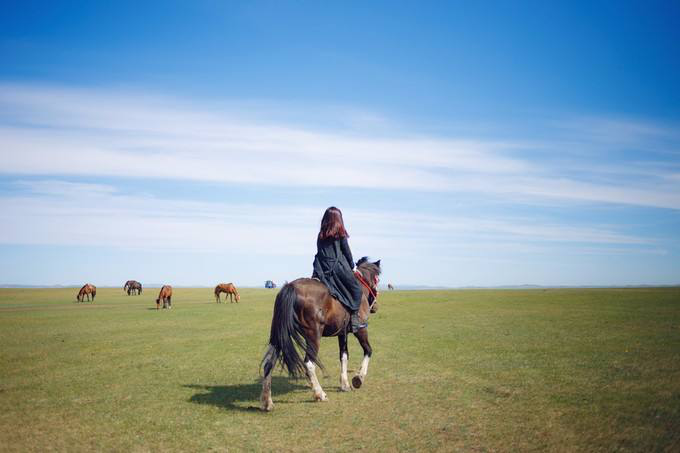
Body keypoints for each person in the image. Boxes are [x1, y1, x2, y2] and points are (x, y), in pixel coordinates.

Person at [312, 206, 364, 332]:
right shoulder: (340, 234)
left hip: (321, 270)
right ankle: (354, 320)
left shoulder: (321, 235)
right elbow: (347, 252)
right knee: (357, 289)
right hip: (338, 269)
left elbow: (320, 252)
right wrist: (353, 267)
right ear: (338, 219)